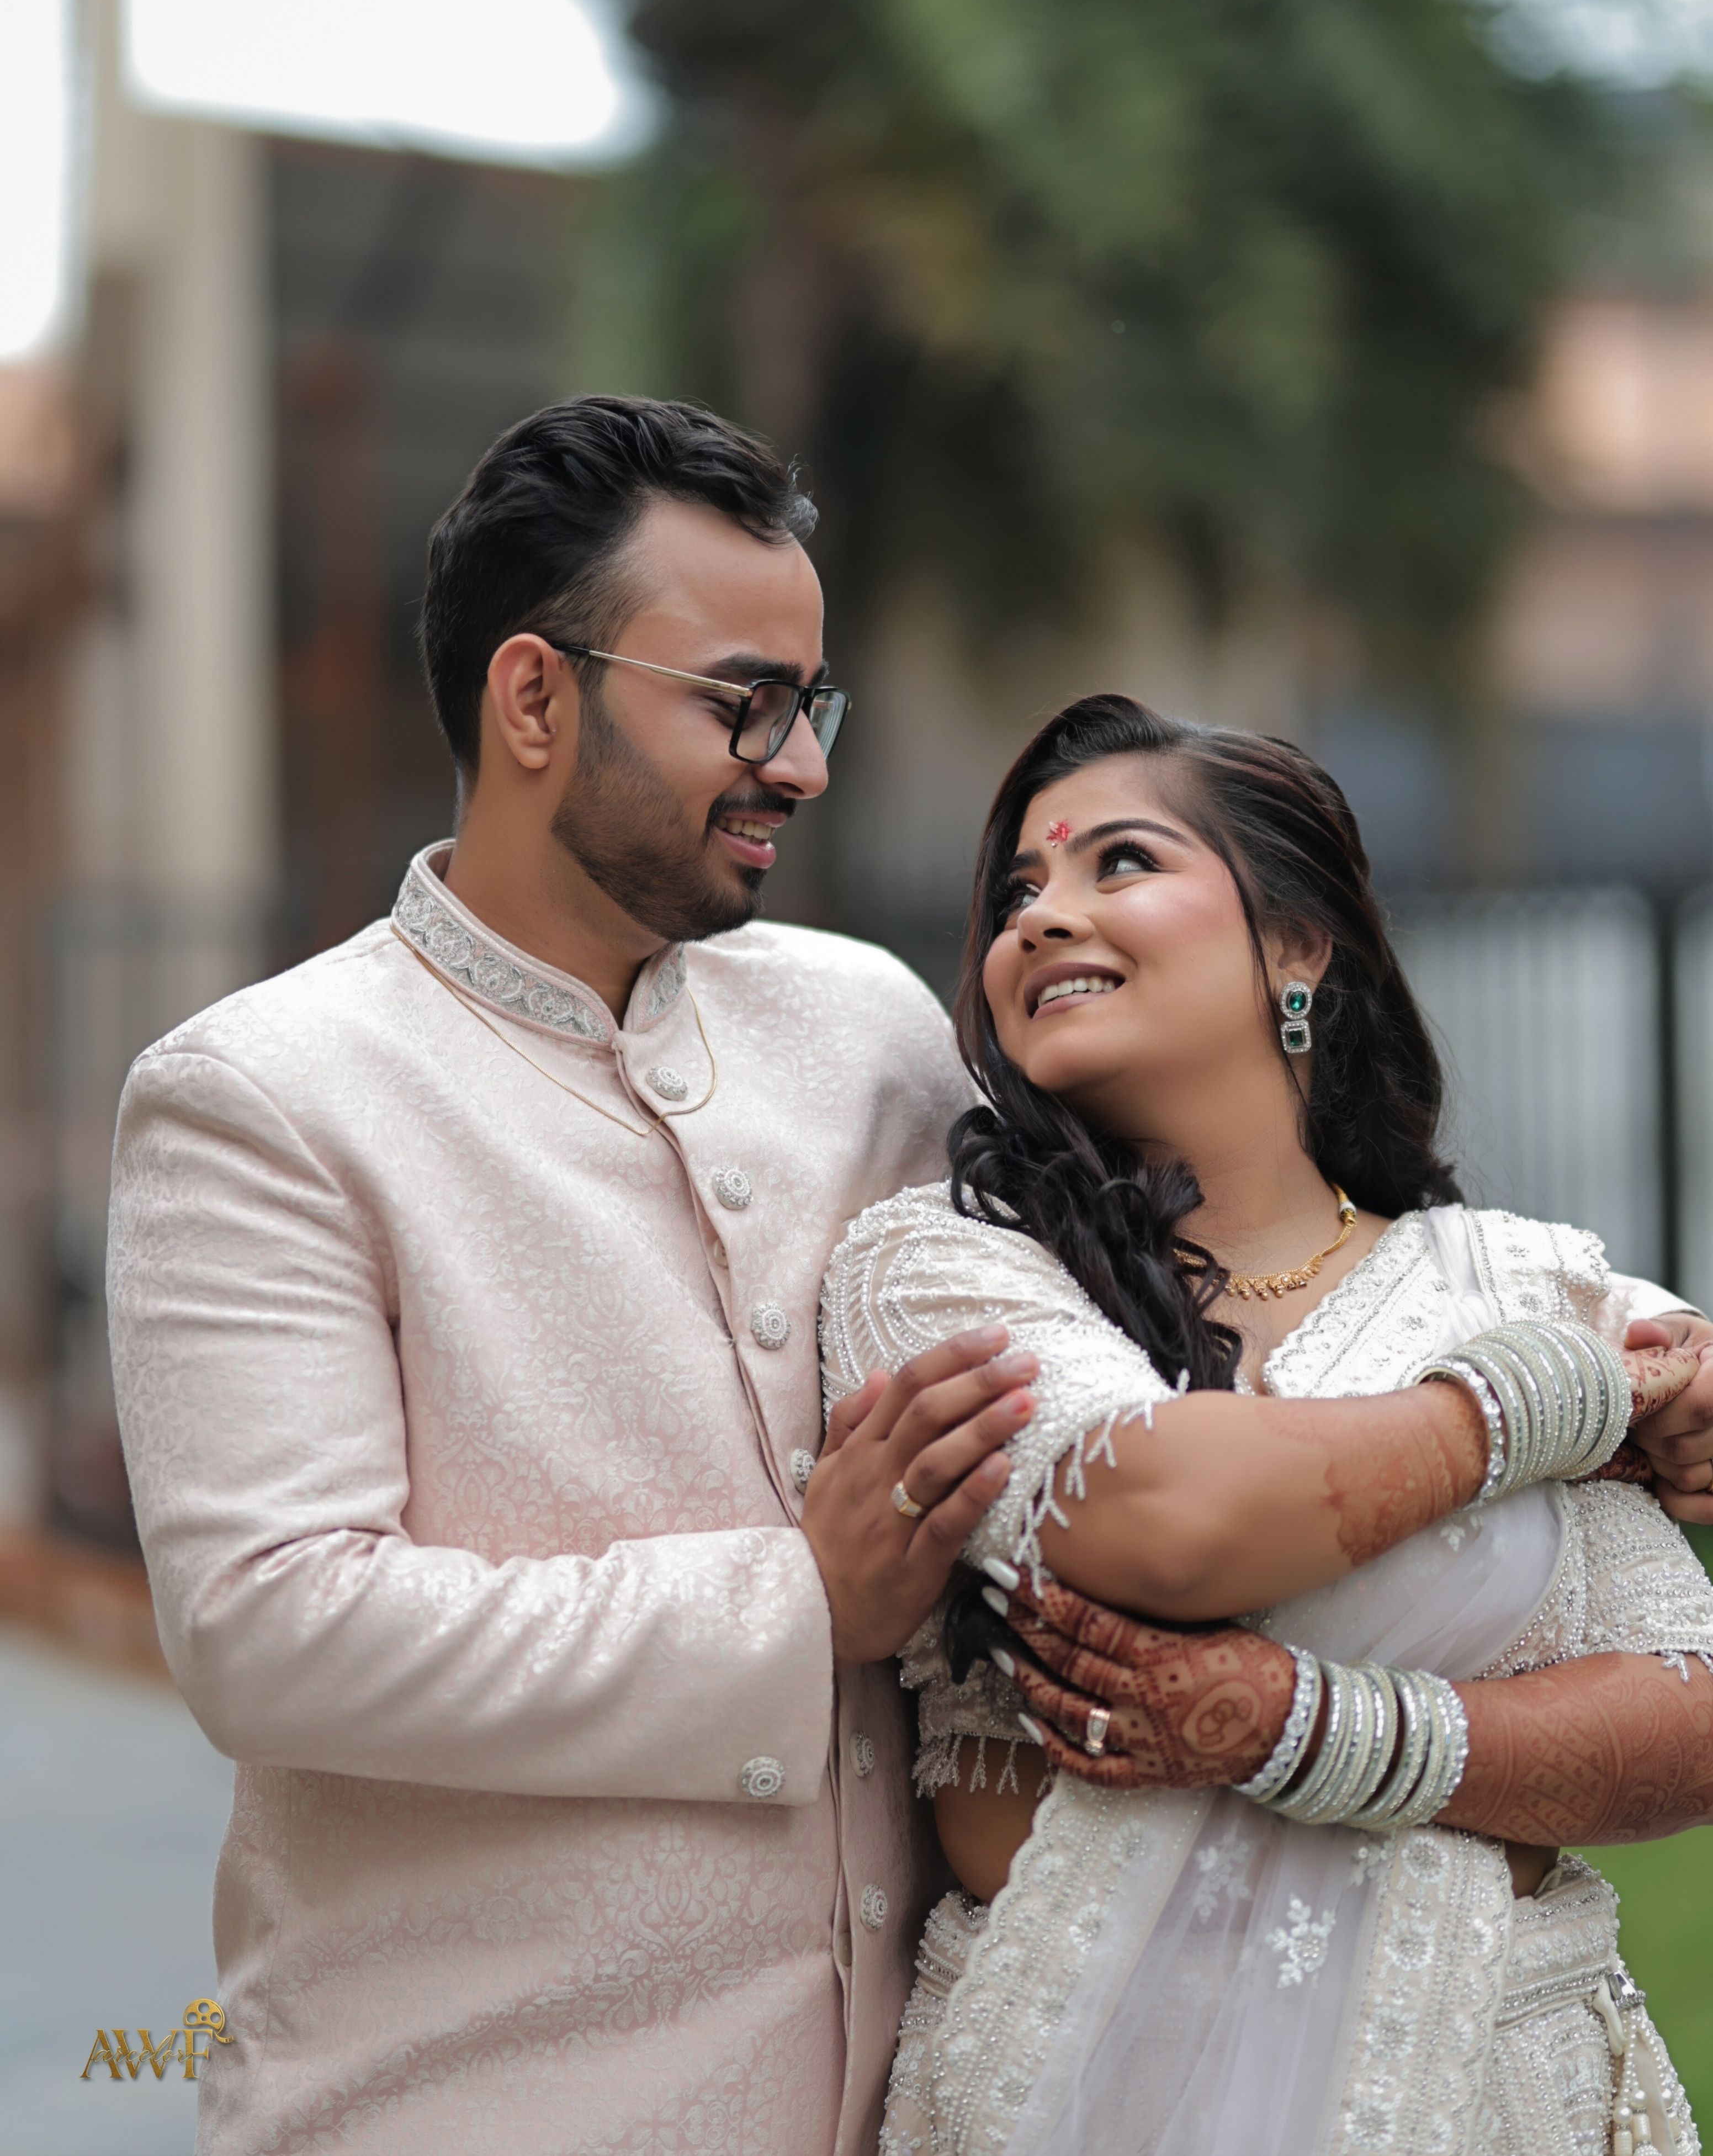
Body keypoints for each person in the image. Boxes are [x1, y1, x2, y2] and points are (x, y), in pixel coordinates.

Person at [105, 397, 1047, 2156]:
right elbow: (270, 1627)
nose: (802, 765)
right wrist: (797, 1604)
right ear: (534, 698)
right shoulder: (266, 1095)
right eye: (744, 702)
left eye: (813, 704)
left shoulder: (868, 1032)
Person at [819, 694, 1713, 2156]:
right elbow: (1168, 1517)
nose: (1041, 917)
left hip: (1475, 2084)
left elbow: (1696, 1731)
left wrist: (1308, 1729)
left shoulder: (1512, 1283)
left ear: (1297, 945)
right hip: (1082, 2095)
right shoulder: (939, 1270)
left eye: (1118, 862)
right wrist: (1553, 1399)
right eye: (1018, 892)